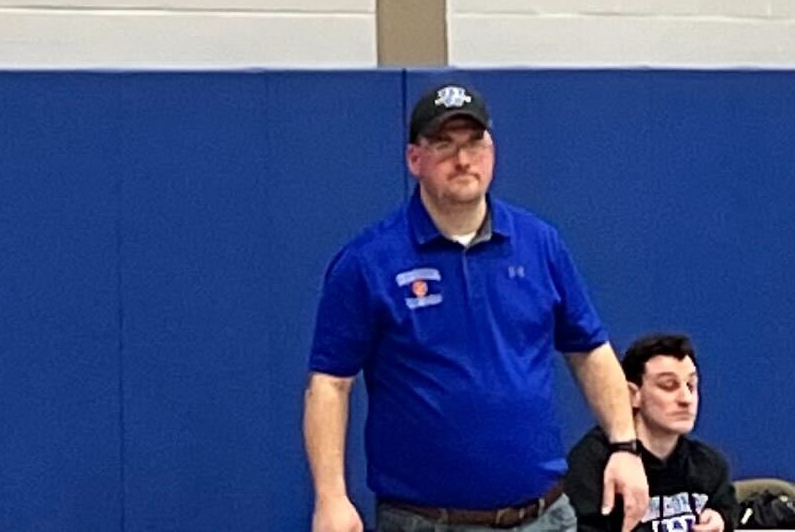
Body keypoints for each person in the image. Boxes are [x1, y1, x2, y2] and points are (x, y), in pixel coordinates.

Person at [308, 81, 653, 532]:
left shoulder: (539, 243)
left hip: (545, 516)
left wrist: (624, 448)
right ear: (415, 159)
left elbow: (589, 350)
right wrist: (331, 497)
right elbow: (330, 385)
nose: (464, 160)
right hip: (427, 521)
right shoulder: (367, 262)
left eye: (475, 143)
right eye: (444, 145)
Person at [562, 334, 734, 532]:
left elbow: (729, 508)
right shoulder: (593, 463)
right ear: (633, 395)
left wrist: (721, 520)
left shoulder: (709, 465)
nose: (686, 398)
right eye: (669, 385)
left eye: (691, 386)